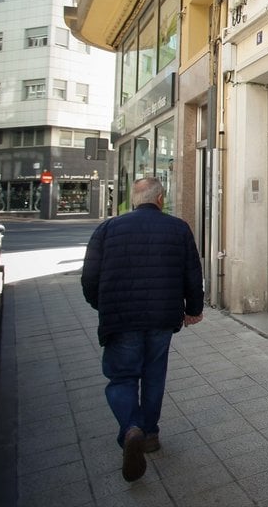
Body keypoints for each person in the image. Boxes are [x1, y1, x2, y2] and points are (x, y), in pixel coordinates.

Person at [81, 176, 204, 482]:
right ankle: (148, 433)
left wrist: (103, 305)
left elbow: (89, 277)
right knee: (153, 373)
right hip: (162, 317)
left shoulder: (107, 230)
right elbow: (192, 271)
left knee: (122, 377)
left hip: (121, 319)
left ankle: (130, 427)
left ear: (134, 200)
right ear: (160, 198)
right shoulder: (178, 229)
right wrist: (194, 309)